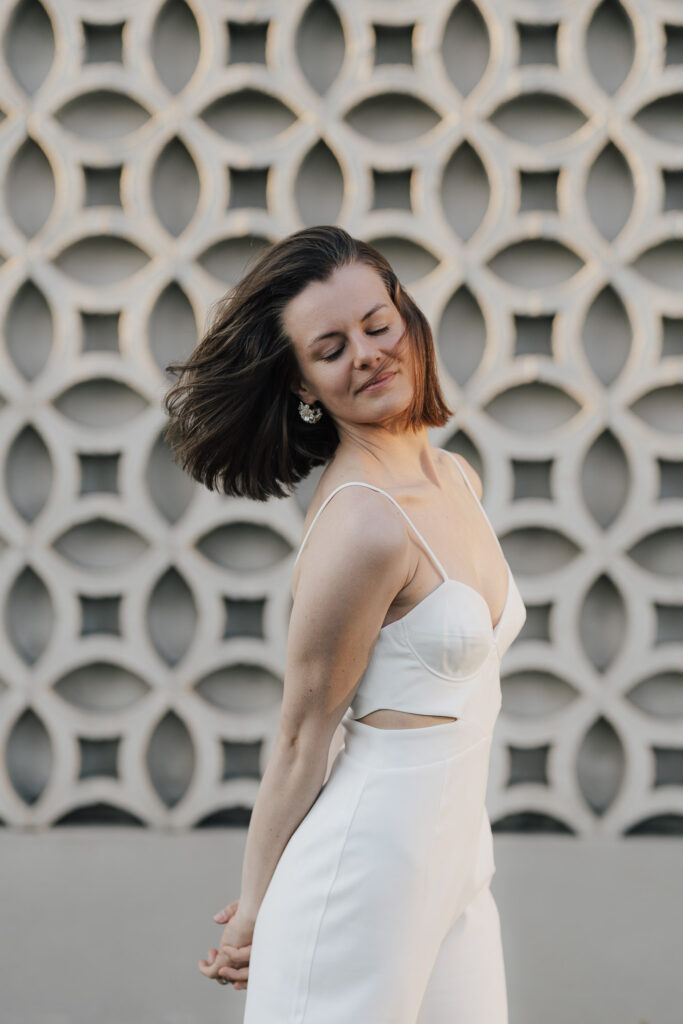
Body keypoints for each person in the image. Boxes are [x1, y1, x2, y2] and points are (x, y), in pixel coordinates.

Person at [163, 225, 526, 1021]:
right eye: (329, 349)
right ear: (304, 385)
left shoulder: (453, 475)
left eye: (375, 325)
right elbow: (303, 732)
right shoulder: (363, 522)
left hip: (460, 863)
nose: (365, 354)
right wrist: (254, 907)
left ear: (405, 318)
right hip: (365, 874)